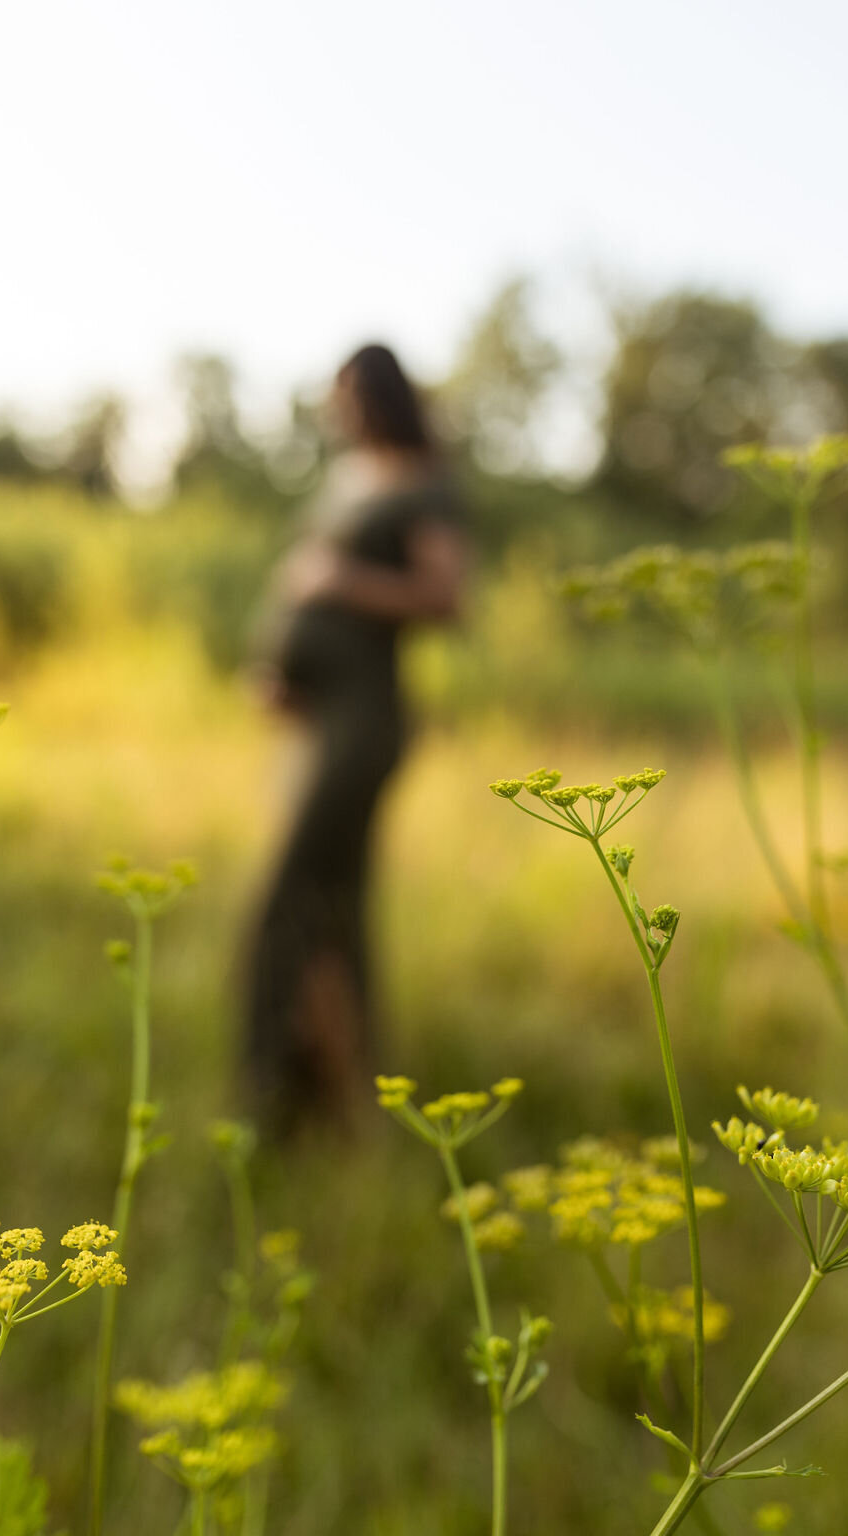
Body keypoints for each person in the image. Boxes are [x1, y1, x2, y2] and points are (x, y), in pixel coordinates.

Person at [246, 344, 468, 1135]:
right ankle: (340, 1093)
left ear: (380, 398)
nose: (339, 410)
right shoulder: (348, 477)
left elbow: (446, 598)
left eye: (350, 395)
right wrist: (282, 668)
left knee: (284, 902)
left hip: (364, 722)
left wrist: (341, 585)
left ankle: (266, 1094)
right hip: (315, 717)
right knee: (336, 904)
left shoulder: (420, 484)